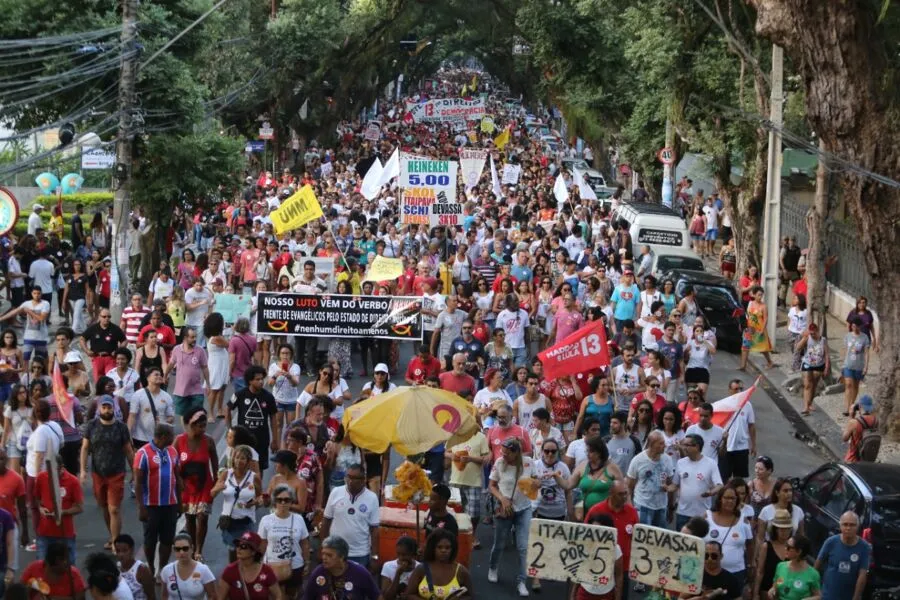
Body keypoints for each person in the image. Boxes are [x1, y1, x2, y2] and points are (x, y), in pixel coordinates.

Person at [79, 395, 133, 550]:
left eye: (109, 407)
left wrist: (134, 472)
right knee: (104, 507)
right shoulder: (91, 426)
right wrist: (83, 470)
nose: (107, 410)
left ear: (114, 409)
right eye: (104, 407)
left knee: (114, 508)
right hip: (98, 473)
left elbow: (128, 451)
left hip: (116, 473)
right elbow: (84, 448)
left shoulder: (121, 427)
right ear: (99, 409)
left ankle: (116, 542)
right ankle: (112, 536)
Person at [488, 438, 535, 597]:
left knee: (523, 547)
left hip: (524, 508)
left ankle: (522, 581)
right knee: (499, 544)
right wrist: (502, 498)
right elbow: (492, 485)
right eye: (503, 452)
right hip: (505, 508)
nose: (504, 455)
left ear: (517, 453)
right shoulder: (500, 463)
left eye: (507, 453)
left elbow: (537, 481)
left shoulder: (529, 462)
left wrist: (536, 484)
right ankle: (493, 567)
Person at [134, 423, 182, 576]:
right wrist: (141, 507)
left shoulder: (173, 451)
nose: (173, 438)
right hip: (151, 505)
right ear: (162, 436)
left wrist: (180, 502)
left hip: (170, 504)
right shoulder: (142, 453)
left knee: (168, 539)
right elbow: (138, 483)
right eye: (171, 436)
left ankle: (162, 568)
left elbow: (177, 477)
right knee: (150, 540)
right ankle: (151, 566)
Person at [174, 406, 218, 560]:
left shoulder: (209, 441)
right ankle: (192, 546)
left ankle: (199, 549)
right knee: (190, 518)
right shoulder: (179, 441)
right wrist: (177, 483)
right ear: (191, 425)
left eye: (205, 425)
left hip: (205, 485)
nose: (203, 429)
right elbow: (173, 464)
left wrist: (216, 483)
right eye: (200, 426)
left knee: (202, 517)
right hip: (186, 487)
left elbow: (215, 463)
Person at [321, 463, 380, 567]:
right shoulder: (336, 492)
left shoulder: (372, 498)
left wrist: (374, 556)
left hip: (360, 554)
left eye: (354, 478)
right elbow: (326, 521)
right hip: (335, 551)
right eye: (348, 477)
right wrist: (323, 548)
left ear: (363, 479)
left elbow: (374, 529)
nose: (350, 481)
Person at [212, 444, 262, 562]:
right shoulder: (226, 474)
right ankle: (233, 576)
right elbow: (212, 494)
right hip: (230, 521)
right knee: (233, 552)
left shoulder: (254, 477)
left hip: (246, 521)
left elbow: (260, 498)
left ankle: (247, 575)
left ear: (248, 461)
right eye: (237, 457)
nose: (239, 461)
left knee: (247, 552)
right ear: (233, 459)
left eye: (243, 458)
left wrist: (253, 503)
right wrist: (217, 488)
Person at [258, 484, 310, 597]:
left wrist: (307, 563)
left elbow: (304, 543)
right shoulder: (266, 520)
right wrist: (257, 564)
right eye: (279, 500)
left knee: (292, 596)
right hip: (271, 566)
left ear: (291, 501)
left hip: (295, 565)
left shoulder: (299, 519)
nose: (283, 503)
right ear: (274, 501)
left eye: (286, 500)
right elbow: (262, 544)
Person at [227, 365, 278, 472]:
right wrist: (230, 430)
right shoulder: (239, 394)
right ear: (250, 381)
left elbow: (273, 417)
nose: (261, 382)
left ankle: (257, 488)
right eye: (257, 379)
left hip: (262, 439)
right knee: (239, 466)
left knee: (259, 468)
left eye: (262, 379)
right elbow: (228, 409)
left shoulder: (268, 397)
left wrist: (275, 439)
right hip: (243, 439)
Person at [34, 455, 82, 564]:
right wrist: (41, 509)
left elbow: (79, 507)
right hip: (44, 533)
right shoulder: (41, 478)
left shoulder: (73, 481)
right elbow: (37, 500)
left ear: (62, 467)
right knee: (41, 567)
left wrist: (62, 512)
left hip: (65, 534)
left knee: (69, 567)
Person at [446, 426, 490, 548]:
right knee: (454, 511)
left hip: (473, 481)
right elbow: (446, 452)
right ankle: (456, 535)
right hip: (455, 480)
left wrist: (470, 458)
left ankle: (472, 534)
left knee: (474, 513)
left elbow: (485, 459)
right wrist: (452, 456)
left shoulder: (481, 437)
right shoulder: (454, 435)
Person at [705, 485, 754, 592]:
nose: (730, 501)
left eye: (733, 498)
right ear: (719, 499)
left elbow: (750, 544)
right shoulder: (706, 517)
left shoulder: (743, 519)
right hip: (710, 573)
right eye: (726, 498)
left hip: (737, 573)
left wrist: (750, 565)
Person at [302, 535, 381, 600]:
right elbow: (307, 597)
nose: (324, 558)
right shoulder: (318, 572)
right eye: (323, 554)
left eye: (329, 555)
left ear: (342, 557)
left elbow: (377, 597)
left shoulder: (360, 573)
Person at [405, 528, 474, 600]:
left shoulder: (461, 571)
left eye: (447, 548)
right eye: (439, 547)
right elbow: (409, 594)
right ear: (433, 548)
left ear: (452, 549)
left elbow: (470, 596)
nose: (443, 550)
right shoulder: (421, 569)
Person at [626, 431, 676, 529]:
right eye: (661, 443)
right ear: (651, 444)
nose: (665, 445)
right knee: (643, 538)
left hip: (661, 506)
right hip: (642, 505)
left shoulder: (667, 460)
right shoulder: (638, 460)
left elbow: (671, 484)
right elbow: (629, 486)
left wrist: (671, 507)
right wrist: (630, 507)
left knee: (659, 539)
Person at [675, 433, 723, 531]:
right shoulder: (680, 463)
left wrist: (711, 492)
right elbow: (674, 485)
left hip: (702, 514)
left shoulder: (711, 463)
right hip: (682, 513)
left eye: (686, 445)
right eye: (684, 445)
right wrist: (666, 487)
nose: (683, 448)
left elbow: (719, 485)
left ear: (696, 446)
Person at [815, 511, 868, 600]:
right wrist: (817, 591)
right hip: (828, 595)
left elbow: (862, 575)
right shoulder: (831, 542)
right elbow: (817, 566)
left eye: (852, 525)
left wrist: (856, 597)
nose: (848, 528)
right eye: (845, 524)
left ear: (857, 527)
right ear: (840, 526)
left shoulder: (864, 547)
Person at [217, 531, 282, 600]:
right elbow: (220, 598)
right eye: (237, 545)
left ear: (253, 552)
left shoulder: (266, 571)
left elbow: (278, 596)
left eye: (243, 546)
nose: (239, 549)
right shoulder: (230, 571)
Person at [568, 436, 622, 516]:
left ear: (599, 452)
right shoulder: (583, 465)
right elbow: (568, 485)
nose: (587, 454)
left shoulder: (612, 467)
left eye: (591, 451)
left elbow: (622, 490)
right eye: (587, 451)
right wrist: (556, 477)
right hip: (584, 513)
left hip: (605, 515)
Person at [164, 327, 210, 422]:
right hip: (181, 390)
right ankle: (188, 433)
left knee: (197, 414)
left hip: (197, 390)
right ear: (185, 338)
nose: (195, 339)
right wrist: (165, 376)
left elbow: (205, 368)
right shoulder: (176, 349)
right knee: (184, 415)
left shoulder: (200, 351)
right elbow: (171, 364)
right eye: (192, 337)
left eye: (195, 337)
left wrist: (208, 384)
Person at [20, 540, 86, 600]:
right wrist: (28, 591)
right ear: (56, 561)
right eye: (65, 559)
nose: (68, 563)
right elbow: (19, 591)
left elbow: (81, 597)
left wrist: (53, 598)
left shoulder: (73, 574)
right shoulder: (34, 568)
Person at [752, 508, 795, 600]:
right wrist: (755, 593)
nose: (785, 532)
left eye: (787, 529)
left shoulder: (794, 547)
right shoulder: (766, 546)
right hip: (766, 590)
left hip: (786, 592)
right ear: (775, 529)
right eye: (782, 529)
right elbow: (760, 571)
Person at [128, 366, 175, 450]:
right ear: (148, 378)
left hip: (159, 438)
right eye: (156, 375)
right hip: (140, 437)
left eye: (160, 375)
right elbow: (132, 416)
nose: (159, 376)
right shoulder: (138, 395)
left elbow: (171, 417)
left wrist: (163, 422)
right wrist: (128, 434)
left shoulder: (167, 396)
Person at [159, 532, 217, 600]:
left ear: (192, 548)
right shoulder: (167, 571)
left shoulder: (203, 570)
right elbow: (164, 596)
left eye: (185, 548)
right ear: (173, 549)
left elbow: (212, 596)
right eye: (178, 549)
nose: (181, 552)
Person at [78, 307, 127, 381]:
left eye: (109, 317)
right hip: (97, 357)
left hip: (111, 358)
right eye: (104, 316)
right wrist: (87, 350)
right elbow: (82, 339)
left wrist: (119, 351)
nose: (106, 318)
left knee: (110, 379)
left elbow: (124, 341)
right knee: (98, 381)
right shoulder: (93, 328)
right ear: (99, 317)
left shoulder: (115, 328)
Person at [768, 534, 821, 600]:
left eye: (788, 547)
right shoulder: (781, 566)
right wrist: (772, 591)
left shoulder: (813, 574)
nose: (785, 548)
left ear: (799, 551)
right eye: (786, 545)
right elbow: (775, 586)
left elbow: (818, 596)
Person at [757, 478, 804, 542]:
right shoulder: (766, 511)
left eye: (790, 490)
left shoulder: (798, 511)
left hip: (789, 549)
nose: (789, 493)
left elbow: (801, 535)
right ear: (777, 493)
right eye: (785, 491)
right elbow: (760, 538)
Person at [841, 317, 871, 416]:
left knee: (855, 386)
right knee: (848, 384)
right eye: (852, 326)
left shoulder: (865, 337)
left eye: (855, 326)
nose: (854, 328)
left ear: (859, 326)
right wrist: (843, 363)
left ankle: (852, 405)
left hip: (859, 366)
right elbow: (845, 351)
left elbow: (866, 353)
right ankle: (846, 407)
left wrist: (866, 366)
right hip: (848, 365)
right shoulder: (847, 336)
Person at [114, 534, 154, 600]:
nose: (121, 554)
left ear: (132, 550)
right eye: (118, 551)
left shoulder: (142, 570)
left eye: (125, 550)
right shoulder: (116, 569)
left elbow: (151, 596)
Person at [603, 411, 643, 477]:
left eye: (615, 423)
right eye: (611, 422)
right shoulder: (605, 441)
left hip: (627, 481)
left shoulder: (634, 441)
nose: (611, 425)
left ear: (623, 424)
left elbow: (639, 462)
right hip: (609, 481)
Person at [842, 394, 879, 463]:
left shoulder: (854, 422)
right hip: (867, 459)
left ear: (859, 406)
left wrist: (851, 416)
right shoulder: (876, 421)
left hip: (853, 459)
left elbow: (845, 438)